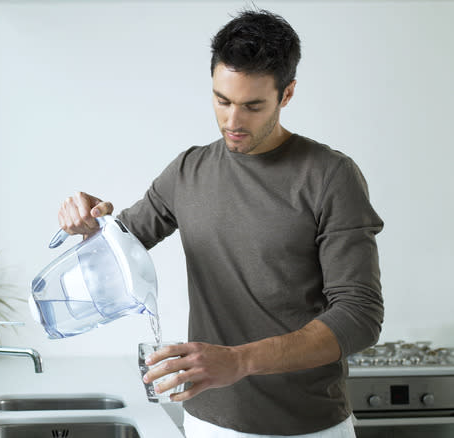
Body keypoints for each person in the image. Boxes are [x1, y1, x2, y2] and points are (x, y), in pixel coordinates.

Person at [56, 8, 383, 438]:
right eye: (222, 100)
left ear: (286, 95)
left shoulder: (330, 176)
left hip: (307, 427)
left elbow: (360, 315)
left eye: (252, 106)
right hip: (207, 422)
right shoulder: (189, 170)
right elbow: (119, 245)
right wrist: (89, 223)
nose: (232, 122)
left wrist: (241, 360)